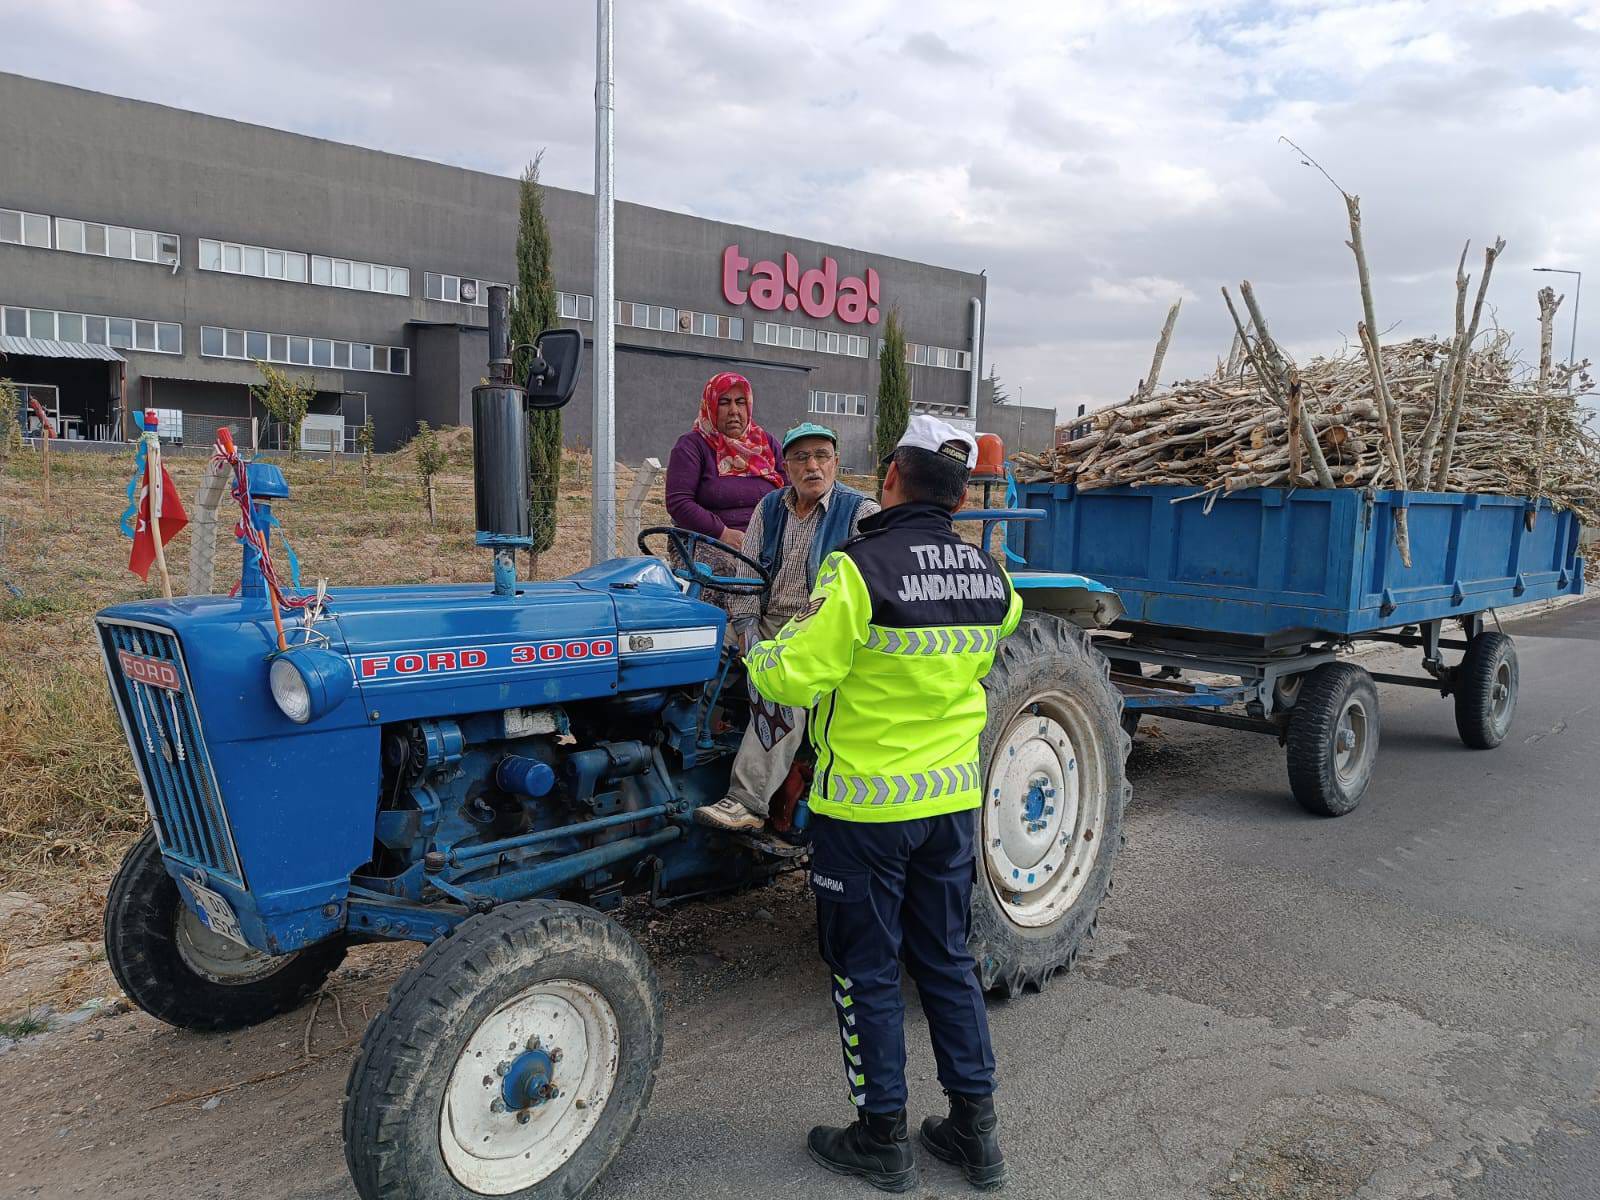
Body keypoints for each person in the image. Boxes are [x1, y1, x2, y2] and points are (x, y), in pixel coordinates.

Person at [745, 414, 1021, 1193]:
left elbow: (796, 677)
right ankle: (976, 1132)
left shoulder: (858, 570)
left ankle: (882, 1139)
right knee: (946, 960)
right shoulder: (989, 579)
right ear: (961, 494)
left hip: (865, 814)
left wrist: (758, 655)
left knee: (865, 969)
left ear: (891, 478)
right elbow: (993, 638)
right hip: (949, 805)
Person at [695, 422, 878, 833]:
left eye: (821, 456)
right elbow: (746, 573)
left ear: (835, 462)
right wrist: (745, 628)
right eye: (801, 457)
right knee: (697, 651)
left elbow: (858, 589)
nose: (812, 466)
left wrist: (793, 639)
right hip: (762, 617)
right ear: (786, 466)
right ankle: (690, 751)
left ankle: (747, 802)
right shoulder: (770, 507)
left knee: (784, 685)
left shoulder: (860, 512)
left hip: (818, 628)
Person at [665, 372, 785, 557]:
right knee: (726, 577)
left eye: (740, 402)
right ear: (710, 406)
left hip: (766, 542)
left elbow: (791, 493)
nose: (734, 410)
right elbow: (679, 503)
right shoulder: (692, 446)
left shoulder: (765, 444)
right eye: (724, 402)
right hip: (705, 541)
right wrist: (722, 533)